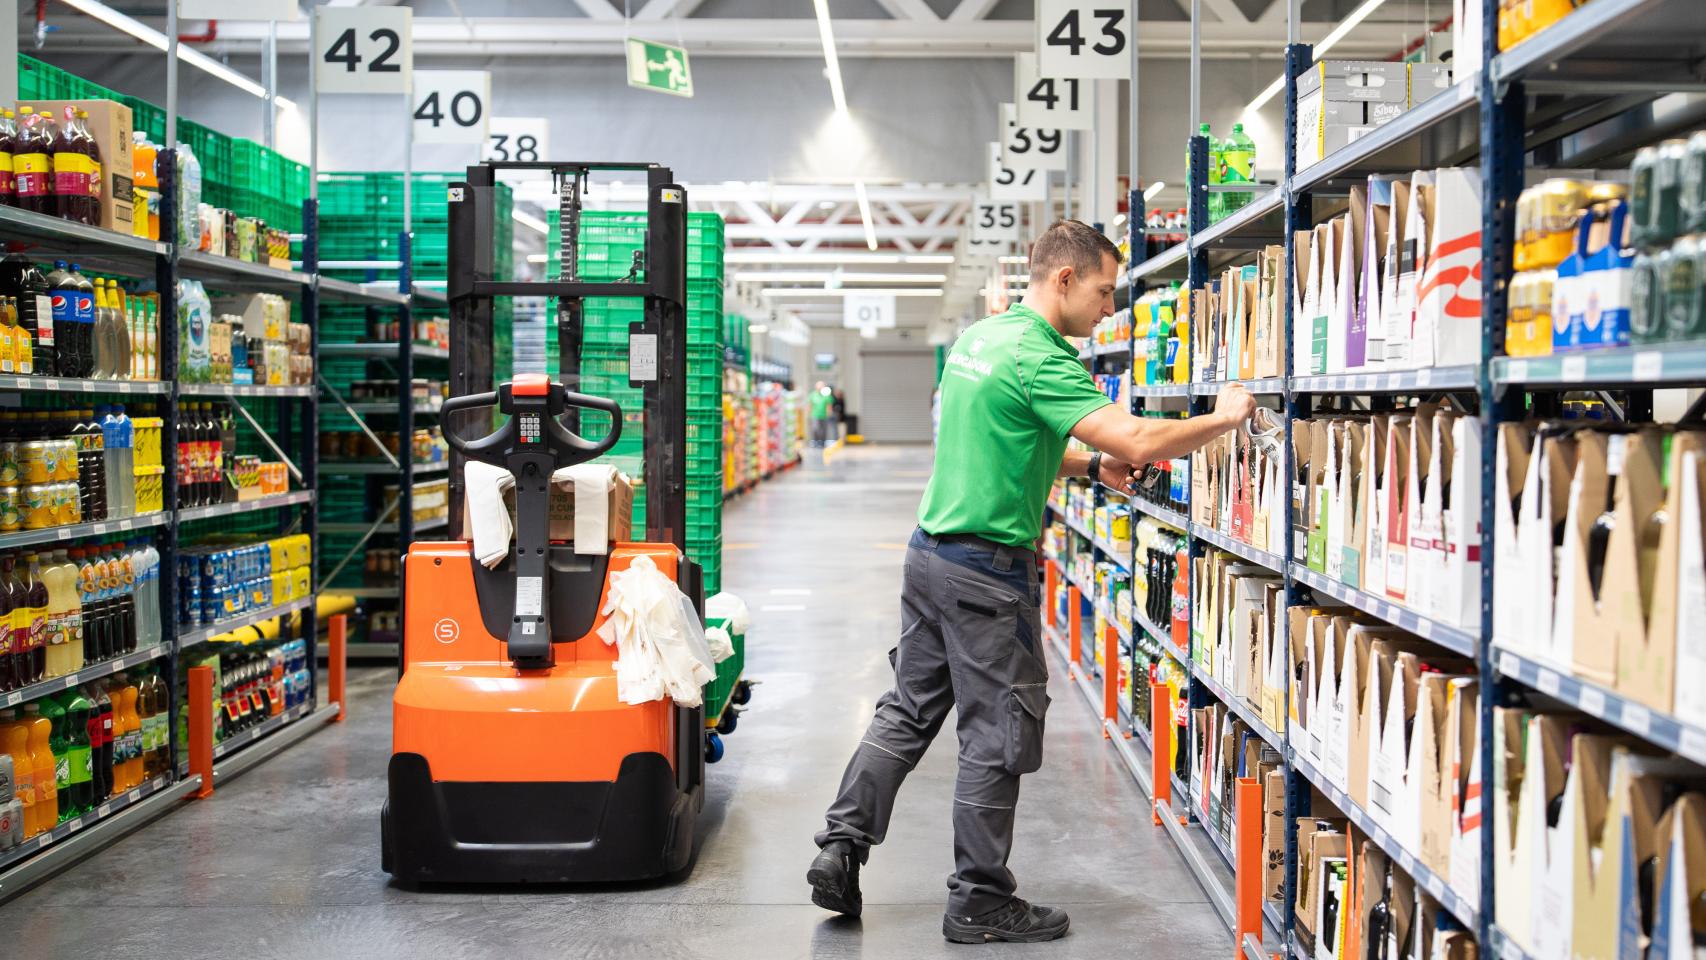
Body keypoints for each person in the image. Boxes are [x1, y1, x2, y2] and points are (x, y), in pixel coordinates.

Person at [806, 219, 1255, 943]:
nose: (1110, 310)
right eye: (1106, 292)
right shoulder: (1044, 357)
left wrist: (1084, 467)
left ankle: (842, 845)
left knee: (909, 709)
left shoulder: (980, 342)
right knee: (997, 733)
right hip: (985, 572)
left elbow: (1007, 440)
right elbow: (1136, 437)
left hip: (930, 555)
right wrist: (1221, 419)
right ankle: (979, 899)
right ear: (1066, 280)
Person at [810, 381, 835, 448]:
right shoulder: (813, 395)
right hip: (815, 415)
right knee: (815, 429)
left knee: (823, 430)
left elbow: (829, 405)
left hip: (824, 415)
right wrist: (809, 414)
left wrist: (829, 414)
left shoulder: (826, 395)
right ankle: (815, 442)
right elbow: (810, 405)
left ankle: (822, 443)